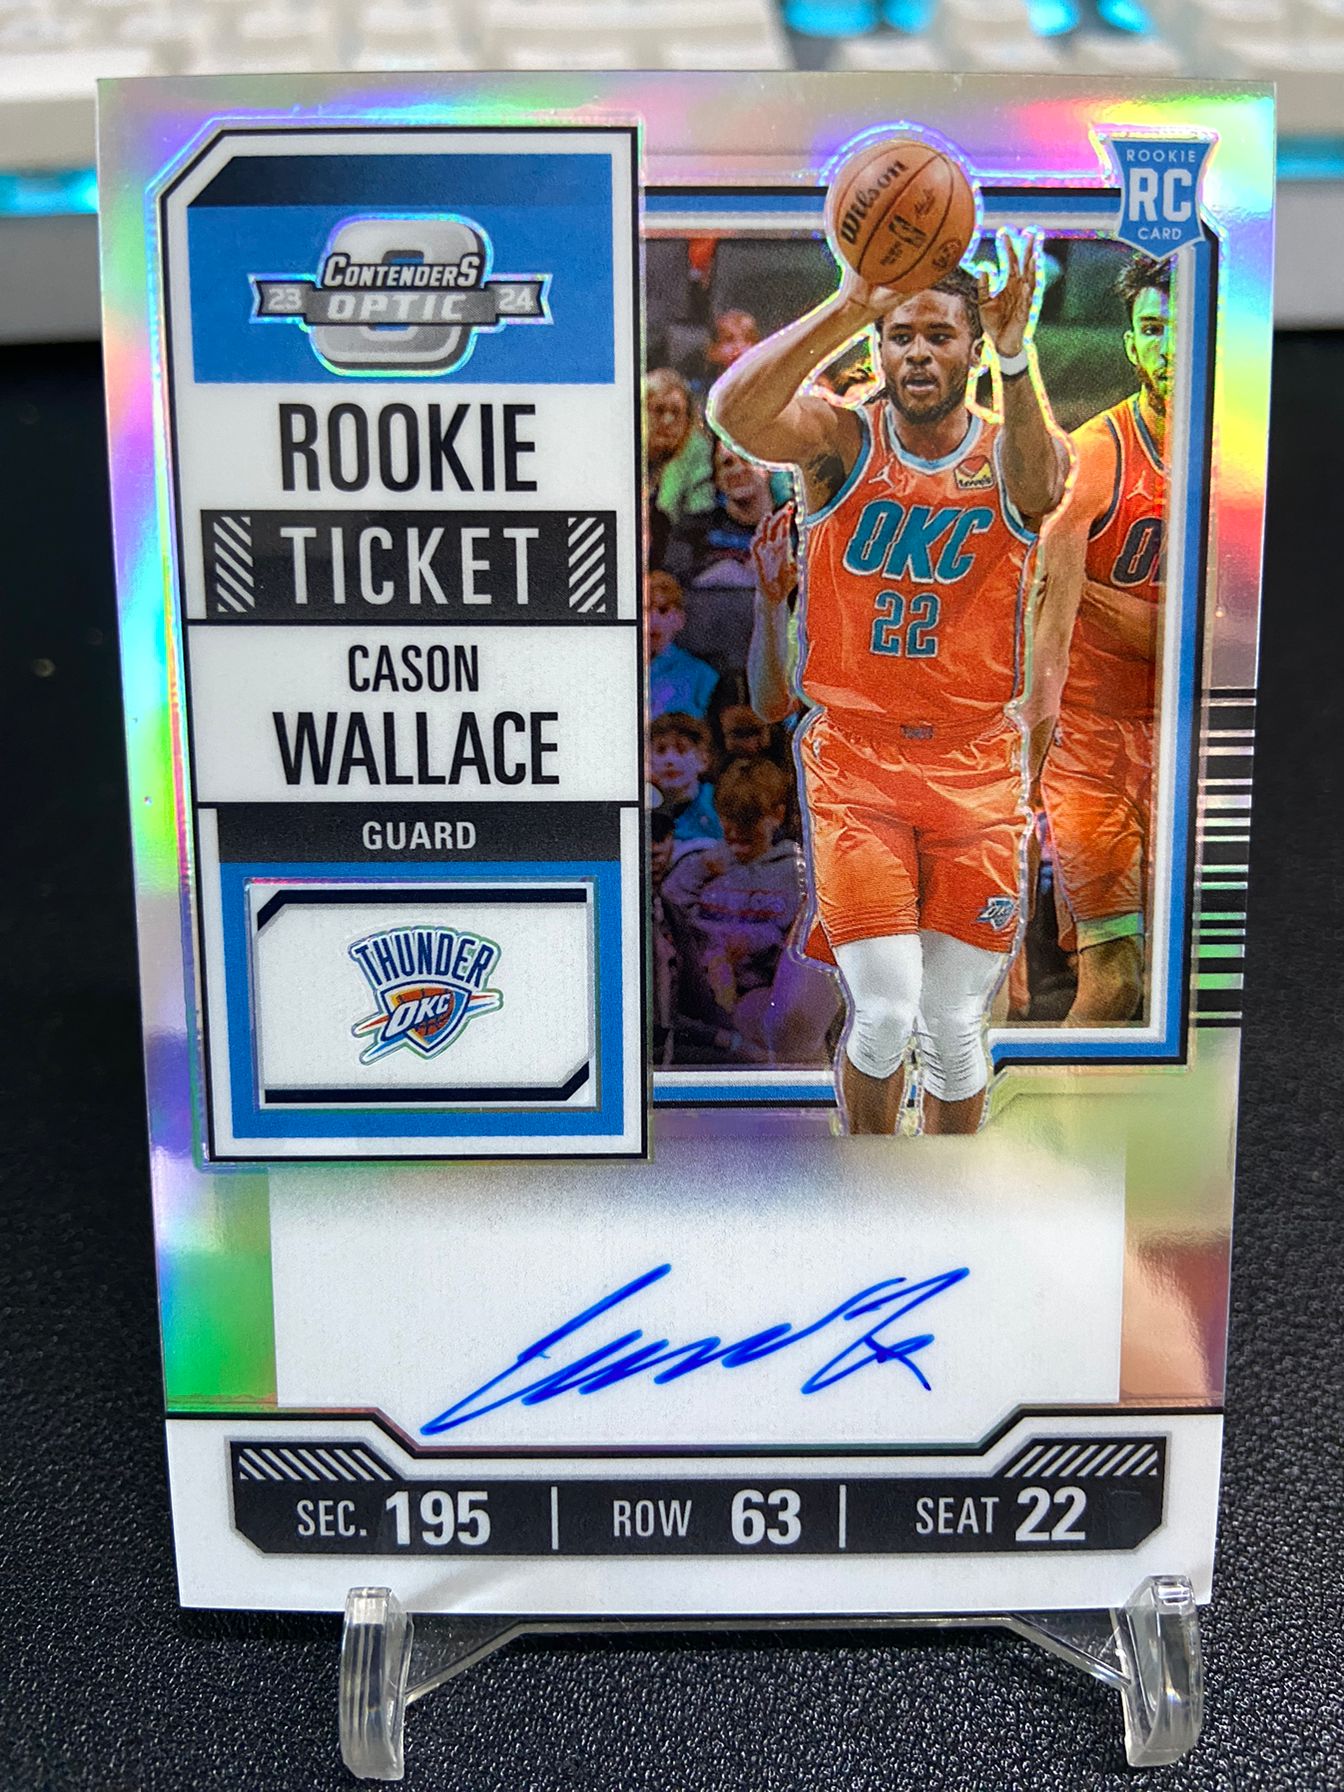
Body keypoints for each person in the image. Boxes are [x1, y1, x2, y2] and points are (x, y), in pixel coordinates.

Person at [710, 233, 1069, 1135]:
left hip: (975, 762)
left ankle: (946, 1196)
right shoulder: (838, 439)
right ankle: (872, 1189)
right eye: (900, 335)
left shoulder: (1010, 447)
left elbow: (1042, 488)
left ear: (972, 348)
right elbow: (732, 413)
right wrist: (849, 304)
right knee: (883, 1011)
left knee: (953, 1024)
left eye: (939, 335)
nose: (917, 352)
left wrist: (1018, 357)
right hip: (857, 764)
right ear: (879, 348)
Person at [1031, 253, 1171, 1025]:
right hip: (1092, 742)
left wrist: (1138, 617)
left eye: (1179, 330)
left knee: (1181, 985)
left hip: (1187, 737)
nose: (1165, 348)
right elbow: (1045, 619)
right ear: (1129, 344)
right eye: (1150, 329)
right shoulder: (1096, 455)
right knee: (1115, 984)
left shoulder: (1239, 459)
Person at [662, 759, 806, 1059]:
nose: (737, 831)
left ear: (777, 815)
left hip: (760, 990)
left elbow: (796, 937)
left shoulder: (794, 871)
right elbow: (669, 908)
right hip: (701, 989)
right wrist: (700, 870)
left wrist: (751, 942)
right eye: (729, 820)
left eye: (749, 821)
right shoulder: (704, 862)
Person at [645, 369, 715, 548]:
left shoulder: (698, 454)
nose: (667, 420)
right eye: (659, 410)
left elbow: (697, 521)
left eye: (676, 412)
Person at [647, 571, 719, 720]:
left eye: (663, 610)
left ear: (680, 619)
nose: (652, 620)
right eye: (643, 610)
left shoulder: (702, 675)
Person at [648, 712, 722, 846]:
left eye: (681, 750)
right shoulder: (645, 808)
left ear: (703, 760)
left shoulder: (719, 803)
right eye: (661, 750)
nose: (670, 760)